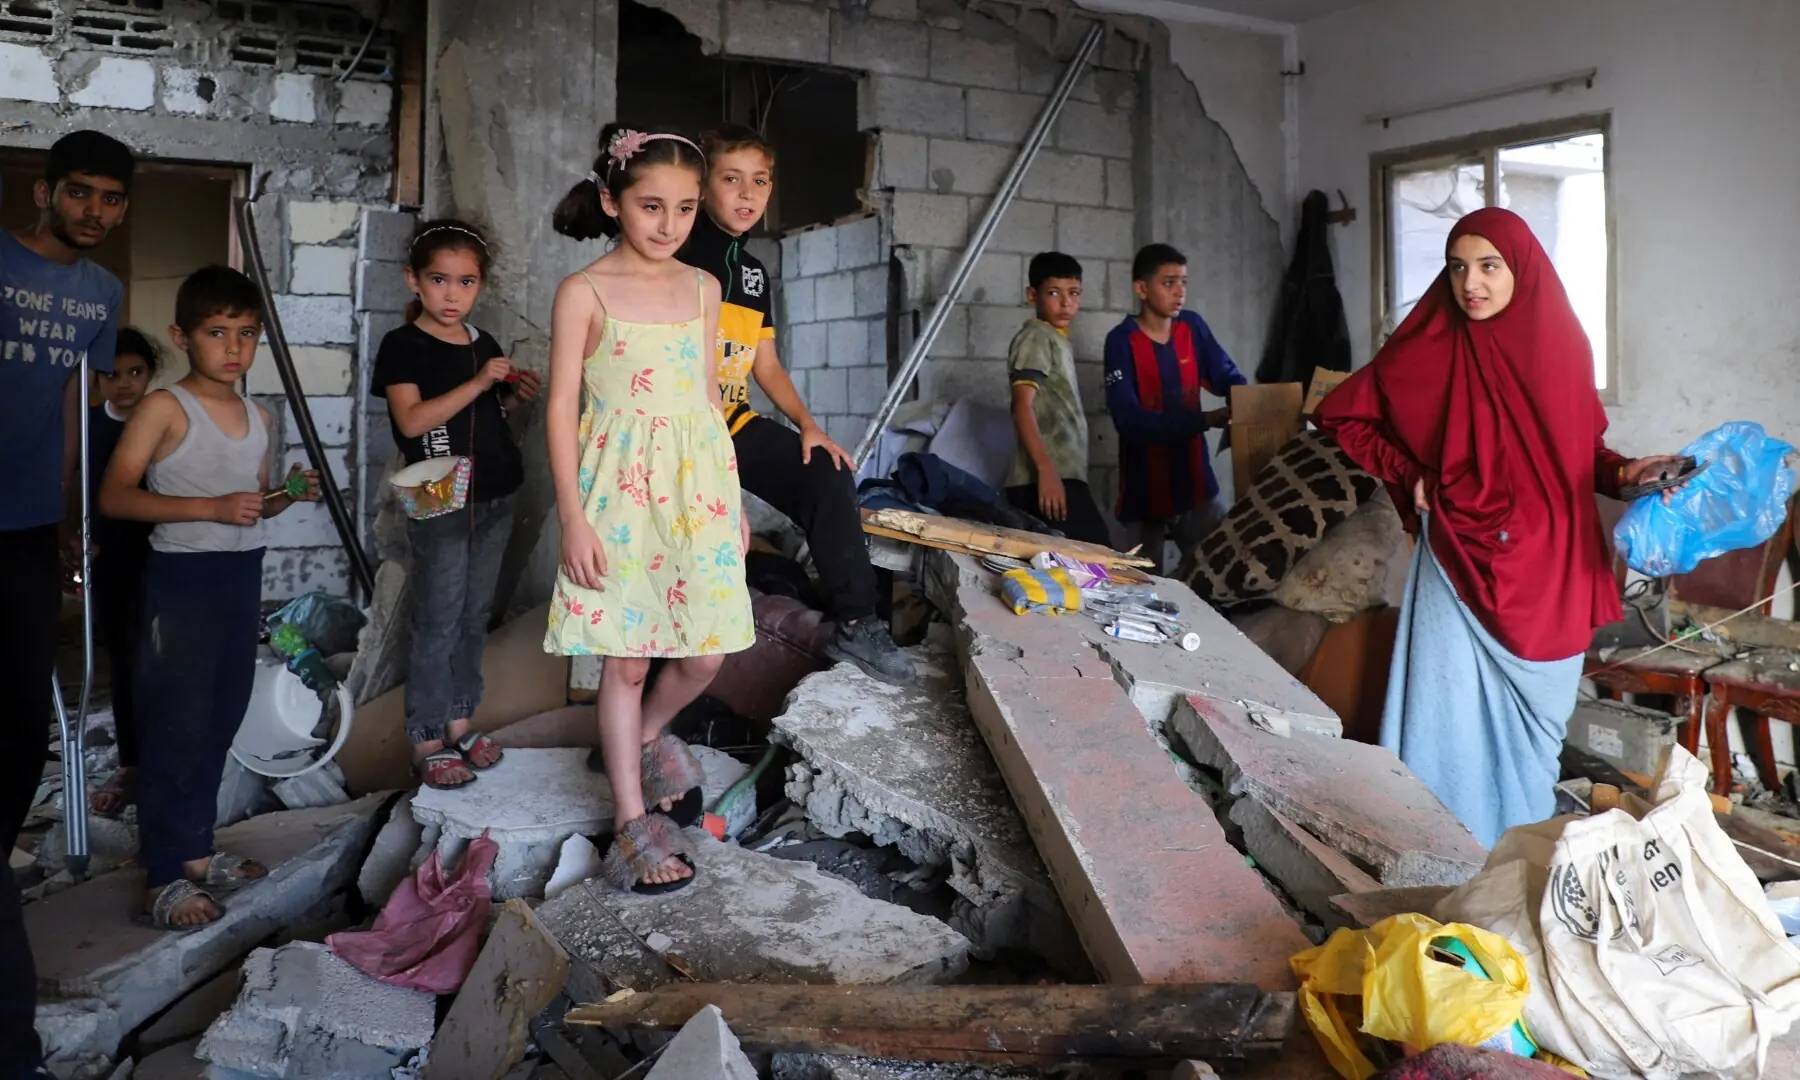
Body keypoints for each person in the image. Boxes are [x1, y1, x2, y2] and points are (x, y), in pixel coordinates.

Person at [1313, 208, 1684, 847]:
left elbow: (1580, 455)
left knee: (1537, 738)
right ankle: (1442, 864)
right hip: (1457, 561)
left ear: (1522, 270)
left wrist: (1626, 473)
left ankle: (1512, 864)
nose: (1471, 284)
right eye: (1457, 268)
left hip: (1549, 567)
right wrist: (1410, 473)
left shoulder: (1560, 345)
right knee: (1444, 728)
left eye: (1489, 266)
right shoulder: (1431, 343)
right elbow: (1343, 415)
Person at [544, 124, 754, 893]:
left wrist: (731, 498)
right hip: (619, 493)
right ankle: (631, 824)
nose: (669, 225)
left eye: (686, 209)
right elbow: (560, 408)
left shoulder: (703, 288)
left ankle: (646, 734)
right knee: (628, 659)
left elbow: (708, 399)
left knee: (705, 654)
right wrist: (573, 518)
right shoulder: (584, 292)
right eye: (651, 206)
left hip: (696, 488)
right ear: (612, 201)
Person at [100, 266, 321, 929]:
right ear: (182, 337)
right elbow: (115, 496)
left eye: (246, 333)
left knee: (221, 716)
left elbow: (251, 506)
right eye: (217, 332)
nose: (233, 347)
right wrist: (212, 506)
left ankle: (195, 853)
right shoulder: (164, 408)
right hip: (183, 582)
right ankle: (162, 875)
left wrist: (286, 495)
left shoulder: (259, 416)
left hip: (239, 576)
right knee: (178, 723)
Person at [676, 124, 914, 687]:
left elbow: (766, 364)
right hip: (679, 429)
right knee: (694, 550)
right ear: (702, 186)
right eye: (731, 179)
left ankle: (857, 623)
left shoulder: (753, 273)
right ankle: (660, 686)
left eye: (760, 181)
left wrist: (809, 425)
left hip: (733, 422)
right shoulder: (678, 254)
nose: (748, 194)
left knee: (826, 471)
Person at [0, 129, 133, 1079]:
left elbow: (71, 410)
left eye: (111, 199)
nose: (95, 211)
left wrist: (69, 516)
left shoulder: (102, 293)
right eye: (80, 192)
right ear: (44, 191)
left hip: (26, 530)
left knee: (19, 723)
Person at [370, 219, 541, 791]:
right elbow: (413, 422)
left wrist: (512, 399)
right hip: (438, 492)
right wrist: (478, 383)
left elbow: (484, 420)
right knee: (437, 617)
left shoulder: (482, 343)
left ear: (479, 286)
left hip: (495, 490)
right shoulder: (403, 346)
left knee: (473, 614)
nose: (452, 294)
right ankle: (425, 738)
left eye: (466, 282)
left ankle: (460, 722)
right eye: (439, 280)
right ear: (413, 280)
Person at [1105, 243, 1245, 576]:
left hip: (1195, 484)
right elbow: (1130, 422)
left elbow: (1228, 377)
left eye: (1183, 282)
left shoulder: (1192, 327)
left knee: (1222, 573)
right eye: (1168, 283)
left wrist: (1247, 400)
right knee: (1138, 585)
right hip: (1144, 491)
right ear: (1141, 289)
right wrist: (1204, 420)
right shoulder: (1121, 341)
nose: (1179, 292)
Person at [88, 328, 161, 816]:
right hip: (110, 557)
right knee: (124, 660)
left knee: (167, 659)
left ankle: (166, 756)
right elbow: (77, 486)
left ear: (150, 373)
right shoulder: (89, 426)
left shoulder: (165, 421)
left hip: (165, 552)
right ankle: (132, 763)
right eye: (113, 375)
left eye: (136, 372)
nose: (126, 384)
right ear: (98, 380)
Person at [1002, 252, 1110, 548]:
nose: (1065, 303)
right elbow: (1021, 407)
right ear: (1031, 295)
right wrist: (1046, 470)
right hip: (1043, 479)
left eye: (1073, 293)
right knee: (1099, 556)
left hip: (1059, 477)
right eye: (1053, 293)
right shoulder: (1036, 335)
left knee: (1078, 562)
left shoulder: (1056, 339)